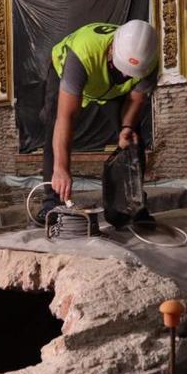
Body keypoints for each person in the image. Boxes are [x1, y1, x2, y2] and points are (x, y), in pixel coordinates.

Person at [38, 19, 159, 225]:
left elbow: (136, 98)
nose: (123, 75)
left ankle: (132, 205)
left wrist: (127, 127)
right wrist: (61, 168)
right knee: (54, 129)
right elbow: (66, 118)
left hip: (110, 89)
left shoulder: (148, 59)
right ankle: (53, 202)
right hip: (66, 71)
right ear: (111, 49)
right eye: (119, 69)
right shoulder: (82, 54)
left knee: (133, 138)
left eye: (129, 74)